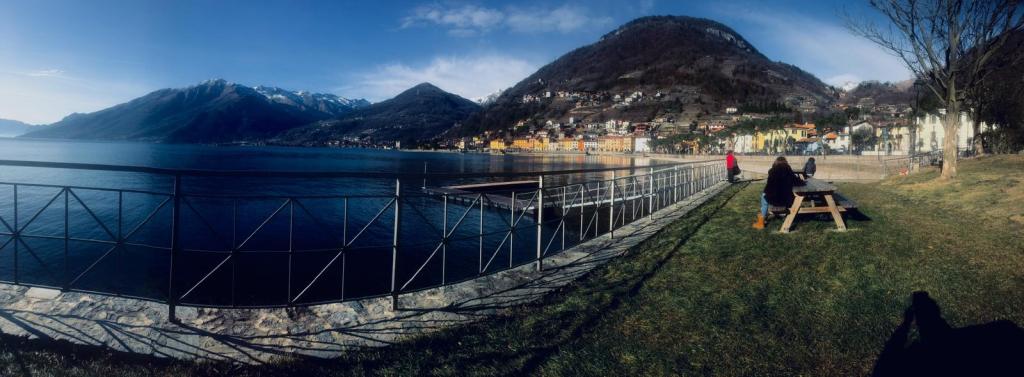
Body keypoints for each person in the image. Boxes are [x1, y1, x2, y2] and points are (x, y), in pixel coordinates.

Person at [753, 156, 805, 229]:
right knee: (767, 194)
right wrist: (803, 182)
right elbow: (796, 181)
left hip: (773, 200)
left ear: (775, 162)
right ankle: (765, 219)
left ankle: (761, 222)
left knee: (764, 196)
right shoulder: (788, 170)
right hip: (786, 200)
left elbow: (769, 187)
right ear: (786, 162)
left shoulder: (772, 171)